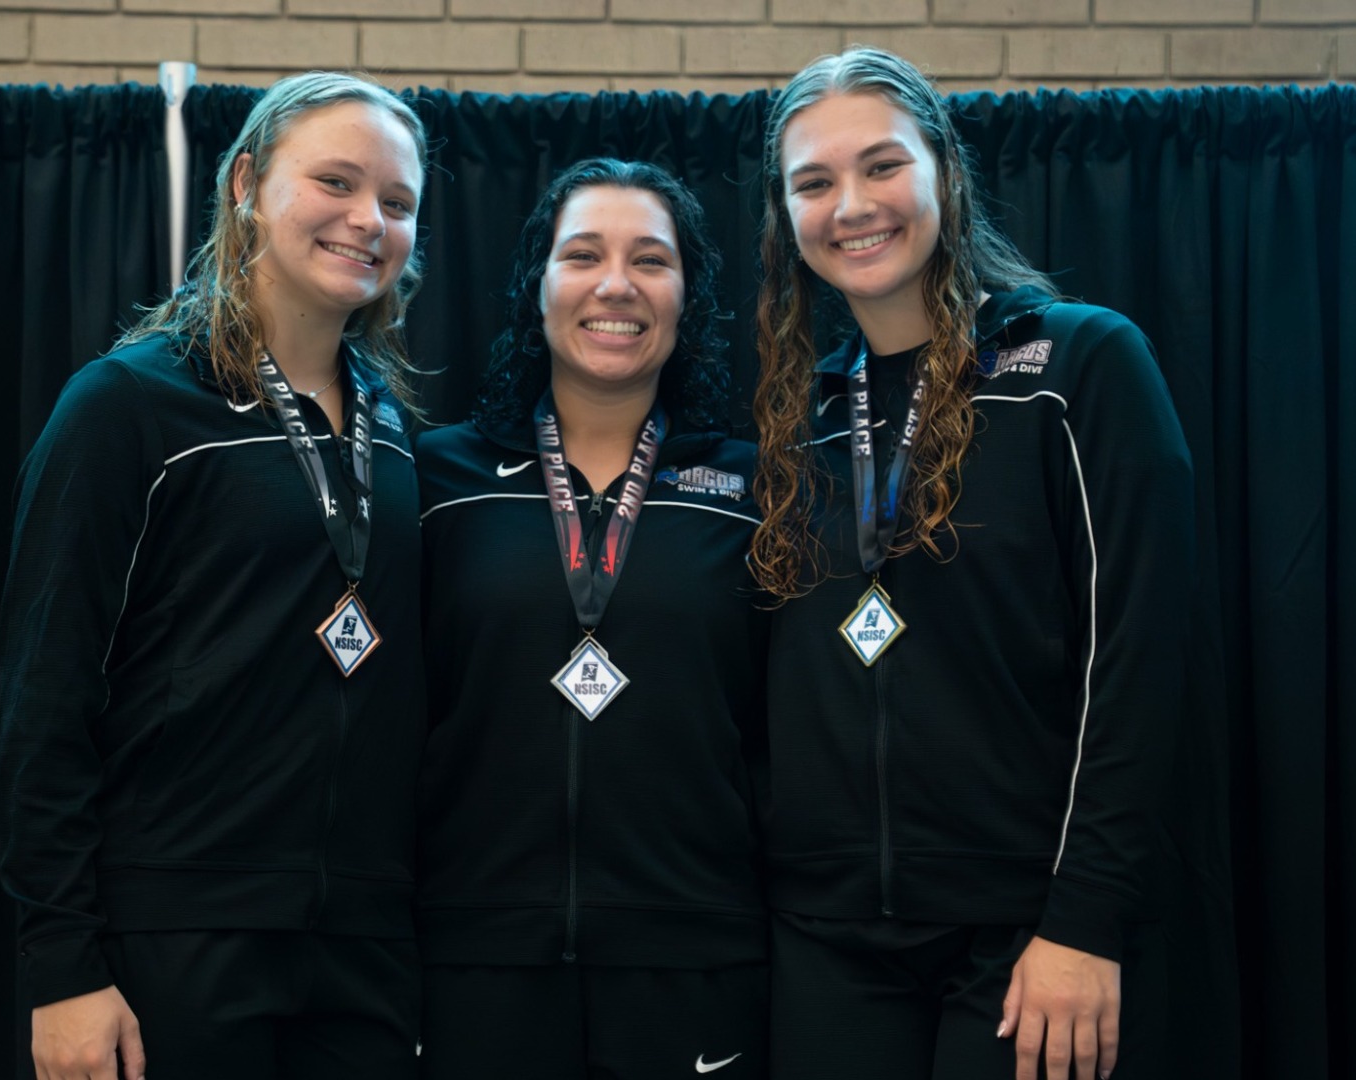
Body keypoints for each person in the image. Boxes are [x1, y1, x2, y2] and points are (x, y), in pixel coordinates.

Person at [748, 47, 1196, 1080]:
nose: (850, 205)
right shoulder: (803, 418)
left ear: (944, 170)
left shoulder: (1078, 364)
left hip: (1026, 936)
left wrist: (1083, 919)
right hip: (827, 941)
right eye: (812, 183)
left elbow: (1134, 663)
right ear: (784, 216)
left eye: (880, 166)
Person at [0, 72, 430, 1080]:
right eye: (336, 182)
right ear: (246, 182)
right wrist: (62, 966)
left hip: (364, 956)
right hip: (172, 943)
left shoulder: (403, 440)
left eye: (399, 203)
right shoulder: (127, 406)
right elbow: (44, 699)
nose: (368, 220)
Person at [413, 159, 771, 1079]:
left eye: (651, 260)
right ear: (538, 284)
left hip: (694, 957)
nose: (616, 284)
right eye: (583, 255)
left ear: (690, 295)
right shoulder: (434, 480)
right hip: (471, 956)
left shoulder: (758, 491)